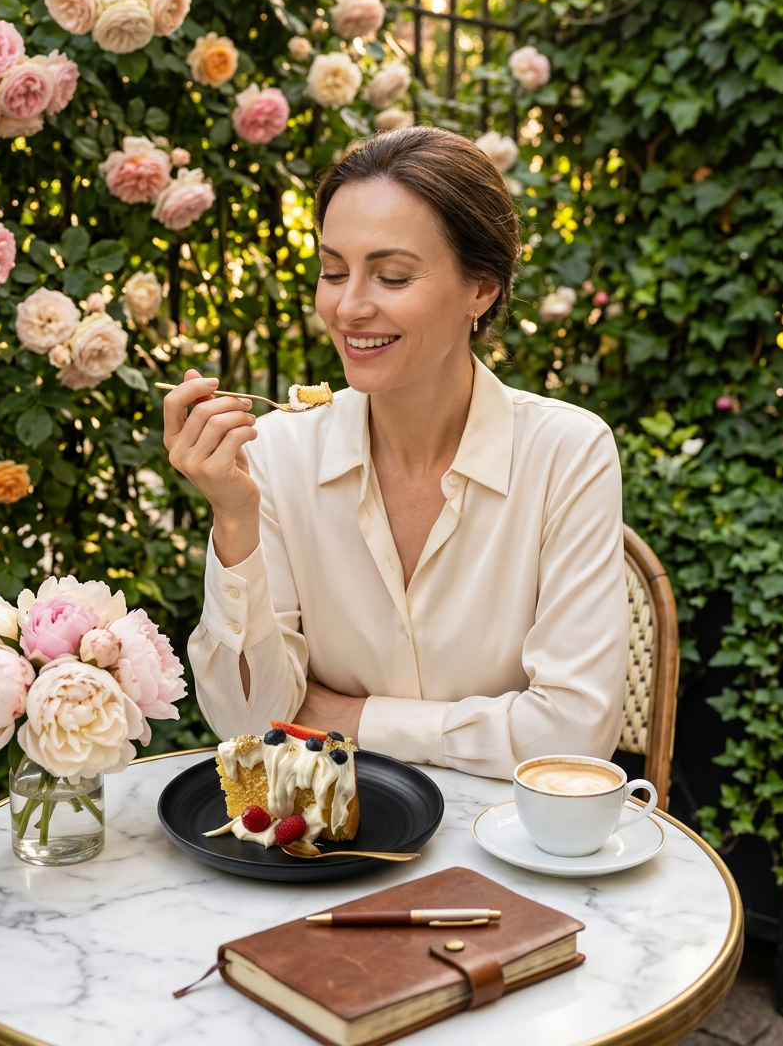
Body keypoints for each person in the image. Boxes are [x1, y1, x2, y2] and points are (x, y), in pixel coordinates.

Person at [164, 127, 628, 780]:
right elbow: (249, 723)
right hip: (327, 848)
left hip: (505, 850)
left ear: (482, 289)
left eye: (392, 275)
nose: (349, 306)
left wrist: (352, 718)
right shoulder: (277, 456)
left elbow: (574, 738)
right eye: (332, 272)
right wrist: (234, 519)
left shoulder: (567, 454)